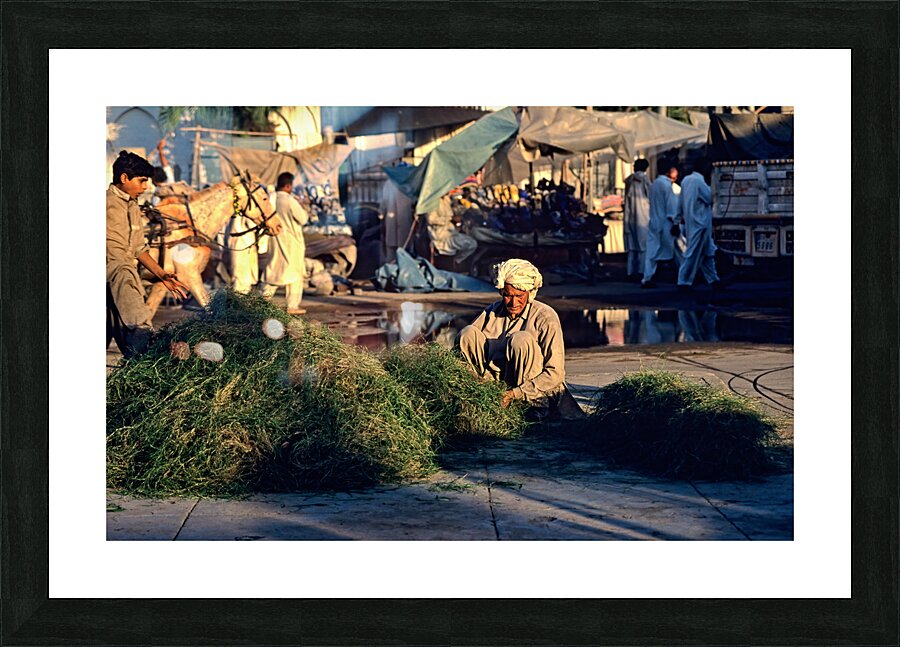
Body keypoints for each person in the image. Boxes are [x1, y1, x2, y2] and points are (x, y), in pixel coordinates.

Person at [107, 150, 189, 357]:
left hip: (122, 283)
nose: (145, 187)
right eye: (142, 181)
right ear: (124, 178)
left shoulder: (133, 206)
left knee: (136, 350)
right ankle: (155, 348)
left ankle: (151, 357)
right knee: (139, 330)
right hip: (114, 277)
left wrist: (163, 275)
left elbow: (139, 249)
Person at [458, 259, 566, 412]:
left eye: (519, 296)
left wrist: (515, 394)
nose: (513, 303)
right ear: (502, 293)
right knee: (467, 333)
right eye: (508, 296)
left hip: (529, 392)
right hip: (494, 386)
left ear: (529, 293)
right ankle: (474, 396)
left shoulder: (545, 317)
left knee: (521, 339)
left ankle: (530, 409)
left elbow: (555, 373)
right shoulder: (492, 311)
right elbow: (465, 345)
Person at [261, 172, 309, 315]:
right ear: (288, 186)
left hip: (275, 239)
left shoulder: (271, 199)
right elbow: (303, 219)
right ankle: (292, 306)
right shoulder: (289, 201)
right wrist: (303, 206)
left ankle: (262, 301)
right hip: (292, 242)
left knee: (274, 270)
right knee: (295, 275)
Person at [677, 159, 721, 290]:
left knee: (707, 252)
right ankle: (683, 281)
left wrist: (677, 219)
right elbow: (710, 198)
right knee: (692, 252)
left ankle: (713, 279)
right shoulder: (699, 182)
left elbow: (680, 202)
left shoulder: (686, 181)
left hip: (692, 222)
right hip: (700, 223)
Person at [642, 159, 684, 288]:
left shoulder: (654, 184)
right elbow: (671, 208)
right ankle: (685, 276)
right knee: (680, 249)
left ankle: (647, 278)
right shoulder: (667, 185)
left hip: (654, 221)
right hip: (667, 223)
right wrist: (676, 223)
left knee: (652, 251)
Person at [622, 158, 652, 280]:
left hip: (630, 217)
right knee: (643, 247)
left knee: (632, 247)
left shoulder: (629, 181)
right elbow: (651, 197)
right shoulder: (645, 180)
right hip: (644, 217)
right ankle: (641, 271)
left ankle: (630, 272)